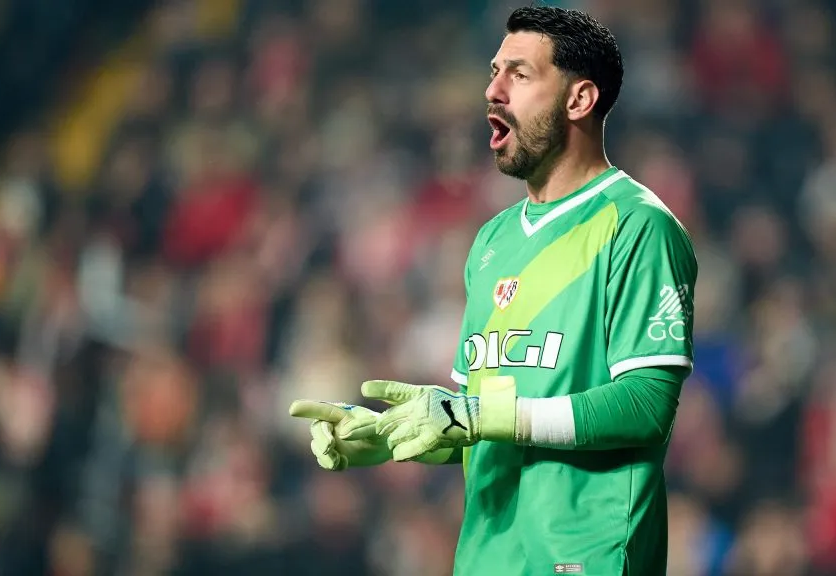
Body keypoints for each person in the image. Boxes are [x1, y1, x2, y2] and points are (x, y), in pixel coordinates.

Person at [290, 6, 697, 575]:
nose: (493, 91)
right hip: (487, 559)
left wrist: (478, 415)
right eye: (493, 72)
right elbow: (477, 426)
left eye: (520, 75)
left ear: (579, 100)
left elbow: (646, 406)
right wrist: (388, 437)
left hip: (584, 558)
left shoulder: (636, 226)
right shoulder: (491, 242)